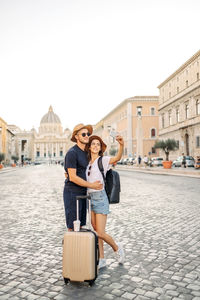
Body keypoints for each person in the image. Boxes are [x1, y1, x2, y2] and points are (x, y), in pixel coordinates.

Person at [85, 134, 125, 269]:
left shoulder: (103, 160)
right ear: (89, 147)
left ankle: (116, 247)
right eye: (93, 144)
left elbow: (117, 158)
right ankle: (101, 258)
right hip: (90, 200)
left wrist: (121, 145)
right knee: (96, 231)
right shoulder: (86, 163)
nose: (96, 146)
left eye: (98, 144)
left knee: (101, 232)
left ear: (100, 147)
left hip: (101, 198)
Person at [63, 124, 103, 231]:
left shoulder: (86, 153)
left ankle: (80, 247)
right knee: (72, 227)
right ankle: (71, 247)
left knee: (80, 226)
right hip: (72, 193)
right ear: (76, 137)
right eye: (83, 134)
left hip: (83, 193)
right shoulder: (72, 153)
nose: (87, 136)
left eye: (88, 134)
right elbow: (73, 177)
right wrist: (92, 185)